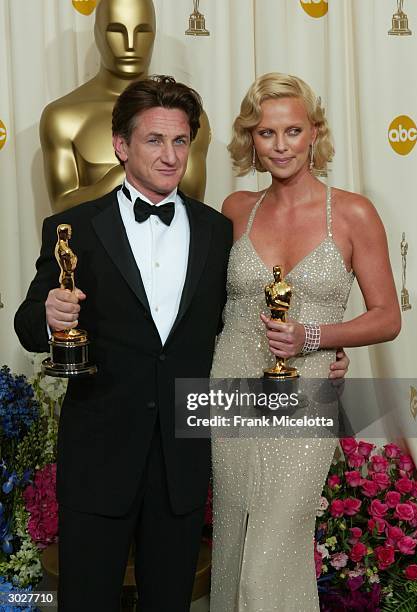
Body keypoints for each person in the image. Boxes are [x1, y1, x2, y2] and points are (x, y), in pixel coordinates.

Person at [15, 75, 231, 612]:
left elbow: (239, 323)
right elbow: (25, 322)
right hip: (99, 457)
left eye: (180, 141)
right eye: (154, 140)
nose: (170, 155)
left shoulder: (218, 232)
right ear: (121, 145)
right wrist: (48, 316)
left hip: (181, 459)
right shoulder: (73, 228)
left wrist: (320, 351)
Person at [209, 73, 401, 611]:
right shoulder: (234, 210)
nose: (281, 146)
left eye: (293, 131)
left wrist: (317, 338)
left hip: (307, 393)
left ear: (315, 132)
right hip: (232, 388)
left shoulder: (354, 213)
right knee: (233, 543)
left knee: (273, 548)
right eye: (266, 134)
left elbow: (387, 318)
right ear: (251, 139)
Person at [40, 0, 210, 212]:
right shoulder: (63, 117)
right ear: (97, 34)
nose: (130, 44)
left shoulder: (186, 116)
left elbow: (193, 209)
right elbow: (61, 213)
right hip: (92, 244)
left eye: (143, 32)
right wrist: (122, 178)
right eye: (116, 31)